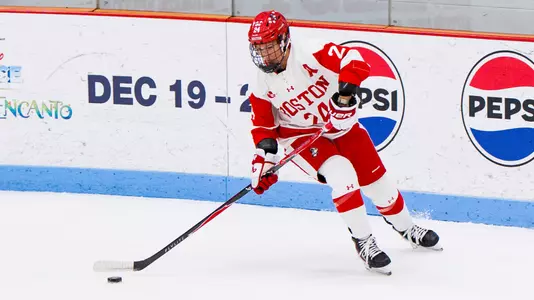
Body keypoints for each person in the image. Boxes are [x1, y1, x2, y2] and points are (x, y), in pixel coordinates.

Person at [246, 10, 442, 275]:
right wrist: (264, 161)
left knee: (379, 186)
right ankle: (364, 241)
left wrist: (344, 98)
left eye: (269, 48)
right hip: (301, 136)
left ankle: (407, 228)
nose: (264, 56)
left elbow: (355, 60)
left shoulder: (311, 52)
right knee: (342, 174)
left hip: (343, 128)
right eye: (259, 49)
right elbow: (263, 127)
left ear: (283, 40)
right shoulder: (260, 83)